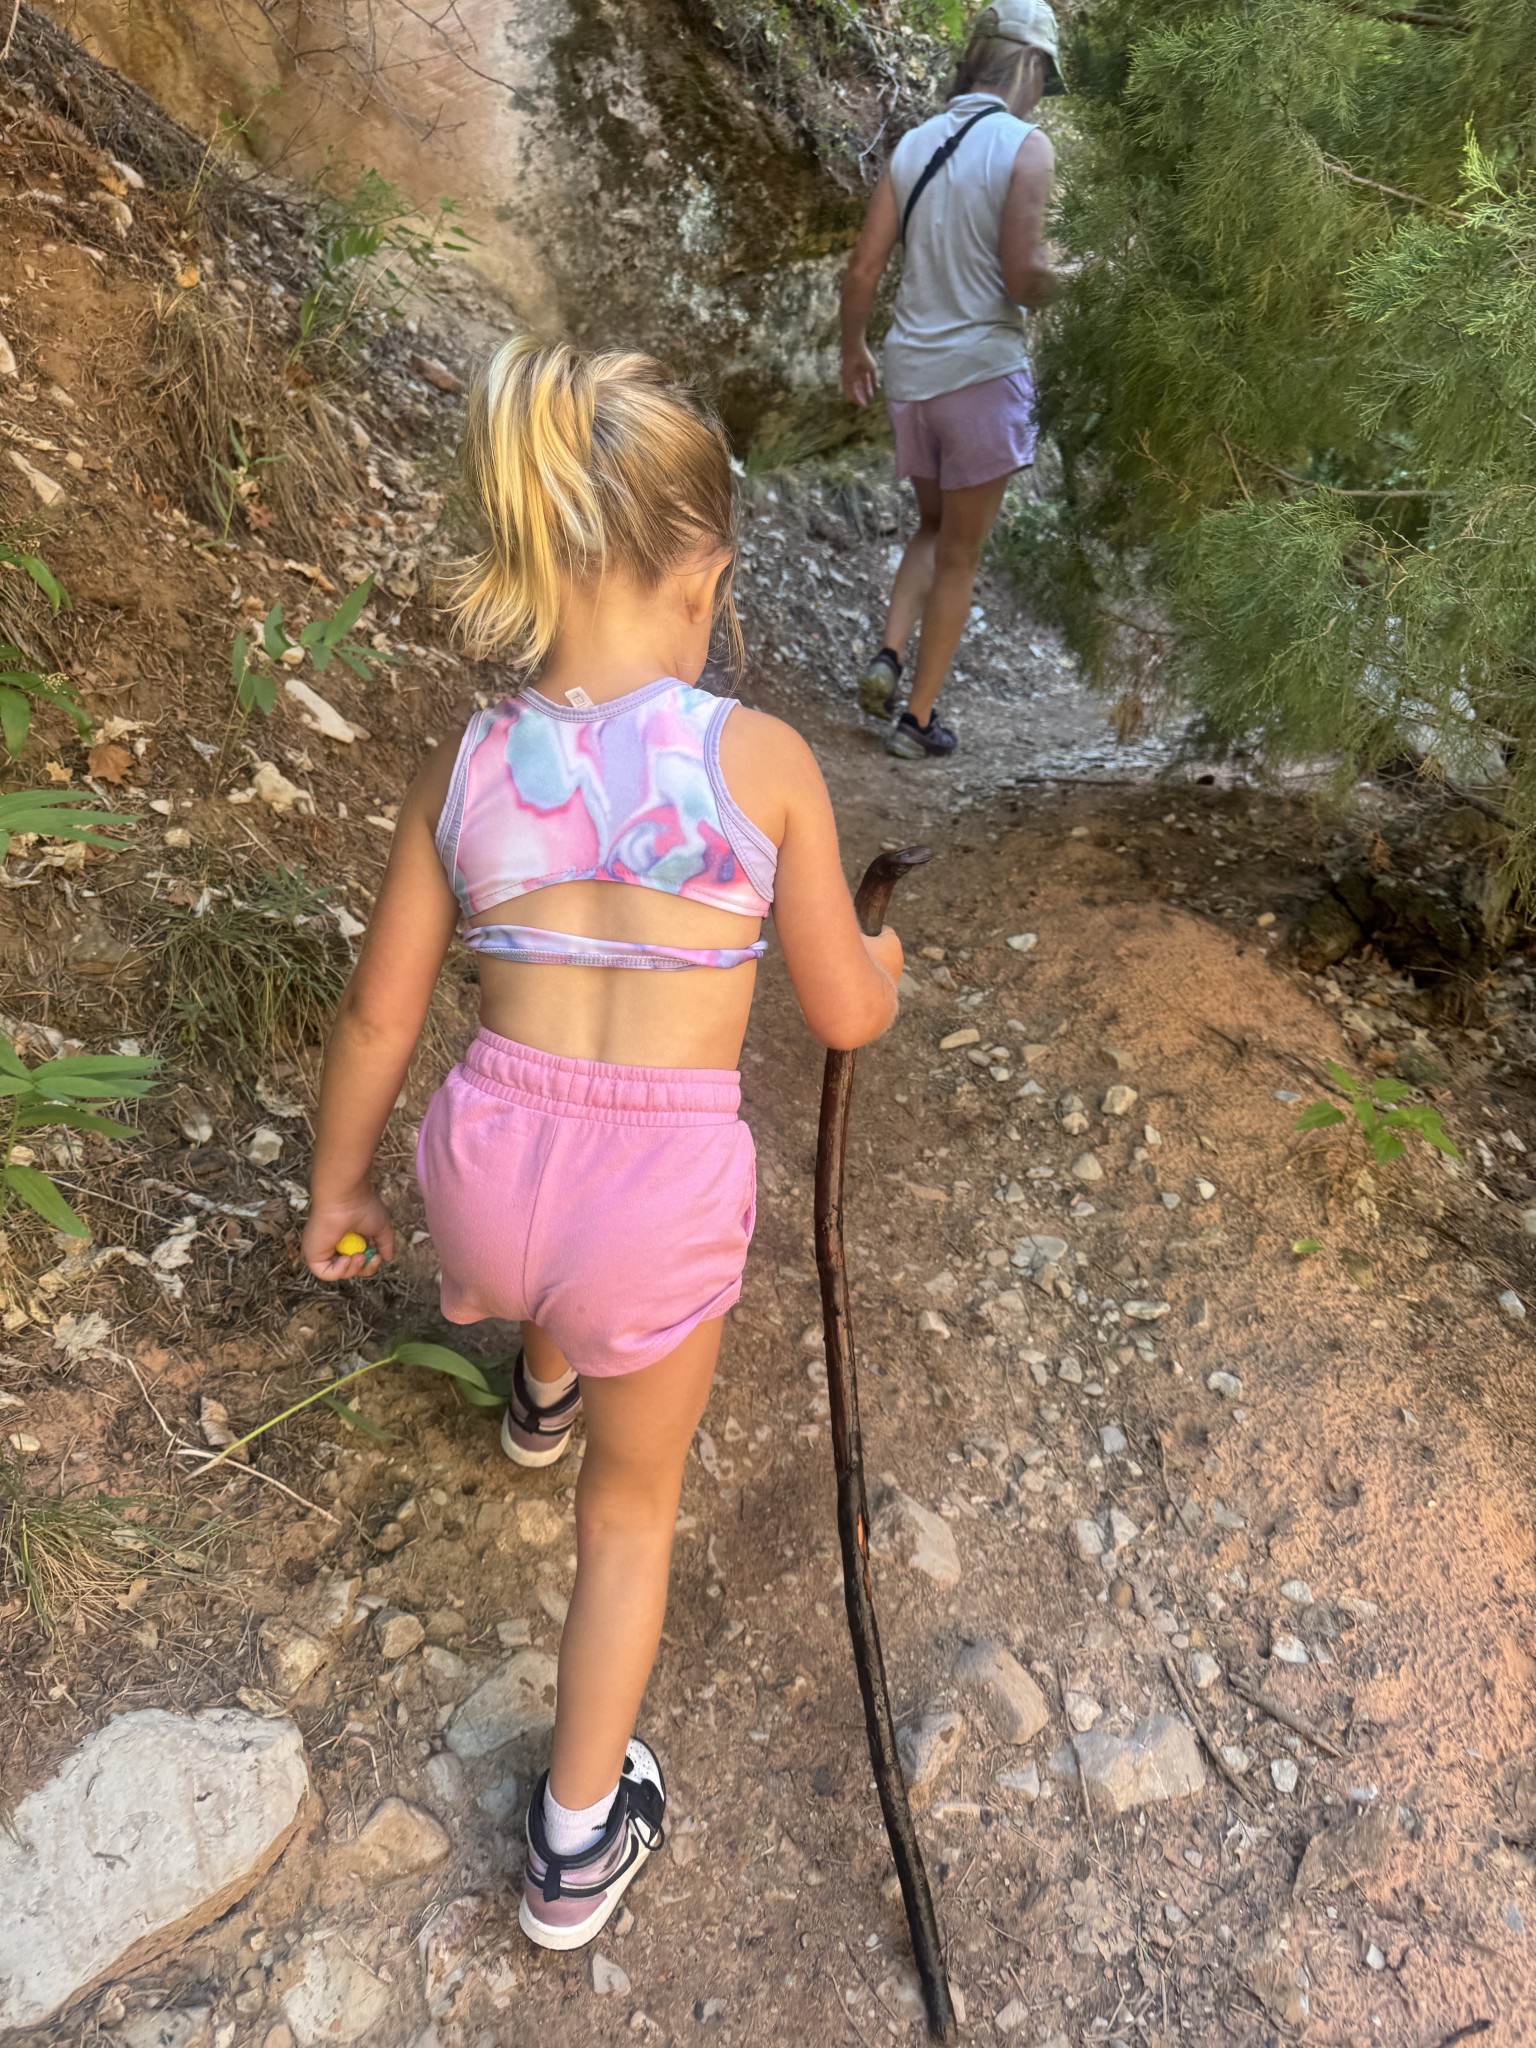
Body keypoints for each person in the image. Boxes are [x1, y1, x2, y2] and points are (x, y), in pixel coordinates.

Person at [301, 339, 904, 1952]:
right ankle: (576, 1842)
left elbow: (377, 1014)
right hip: (651, 1203)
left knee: (556, 1246)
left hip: (483, 1181)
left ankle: (539, 1386)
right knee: (630, 1511)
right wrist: (885, 963)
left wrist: (340, 1185)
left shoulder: (467, 761)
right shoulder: (758, 762)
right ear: (702, 572)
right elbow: (842, 1010)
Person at [840, 0, 1064, 759]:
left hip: (910, 375)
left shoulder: (914, 143)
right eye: (1044, 77)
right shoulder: (1025, 146)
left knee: (931, 527)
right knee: (962, 555)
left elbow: (864, 268)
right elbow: (1026, 279)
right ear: (1029, 66)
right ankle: (918, 720)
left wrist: (853, 350)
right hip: (981, 375)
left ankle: (888, 653)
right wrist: (1088, 275)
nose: (1042, 94)